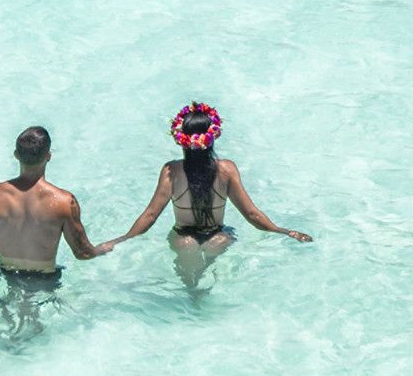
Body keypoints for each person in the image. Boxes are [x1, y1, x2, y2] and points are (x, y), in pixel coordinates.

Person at [106, 102, 312, 287]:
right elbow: (252, 215)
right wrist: (283, 231)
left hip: (183, 234)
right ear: (212, 137)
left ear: (181, 141)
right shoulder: (227, 170)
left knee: (187, 253)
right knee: (218, 245)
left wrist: (122, 239)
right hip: (218, 233)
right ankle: (208, 284)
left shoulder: (171, 172)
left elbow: (150, 216)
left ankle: (193, 293)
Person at [0, 125, 112, 291]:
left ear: (16, 155)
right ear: (48, 156)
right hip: (45, 280)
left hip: (4, 275)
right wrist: (102, 249)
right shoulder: (64, 202)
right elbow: (83, 253)